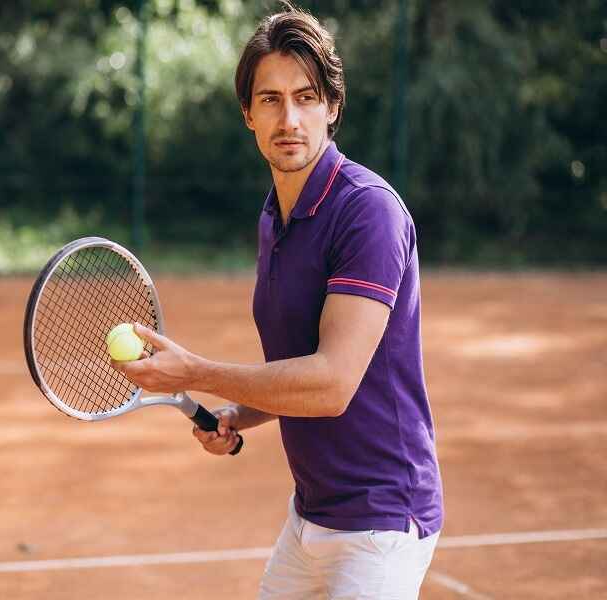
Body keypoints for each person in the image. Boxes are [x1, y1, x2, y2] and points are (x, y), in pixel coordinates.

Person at [112, 2, 443, 598]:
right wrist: (239, 415)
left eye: (307, 96)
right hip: (312, 514)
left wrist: (194, 372)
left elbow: (332, 383)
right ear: (248, 114)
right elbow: (298, 364)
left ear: (332, 107)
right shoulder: (277, 216)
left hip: (380, 524)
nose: (290, 118)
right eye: (270, 99)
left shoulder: (368, 213)